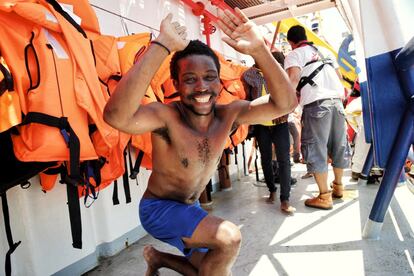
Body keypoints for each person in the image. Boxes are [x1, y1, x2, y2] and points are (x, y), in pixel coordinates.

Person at [104, 8, 296, 276]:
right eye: (190, 80)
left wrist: (259, 50)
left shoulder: (229, 114)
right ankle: (161, 257)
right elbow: (116, 116)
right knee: (228, 237)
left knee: (214, 271)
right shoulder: (166, 117)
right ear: (175, 84)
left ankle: (157, 258)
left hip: (189, 208)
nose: (202, 88)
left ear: (219, 81)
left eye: (209, 78)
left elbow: (285, 104)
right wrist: (162, 45)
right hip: (159, 209)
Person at [284, 25, 349, 210]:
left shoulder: (294, 55)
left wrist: (285, 104)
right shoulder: (325, 51)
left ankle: (324, 196)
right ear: (305, 36)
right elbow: (339, 77)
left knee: (316, 148)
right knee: (339, 146)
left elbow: (293, 80)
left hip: (316, 105)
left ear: (291, 43)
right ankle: (338, 187)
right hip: (337, 103)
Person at [242, 51, 296, 214]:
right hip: (261, 124)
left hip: (280, 122)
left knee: (284, 160)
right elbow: (246, 81)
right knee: (265, 159)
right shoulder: (250, 74)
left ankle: (285, 199)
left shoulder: (280, 72)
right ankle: (272, 190)